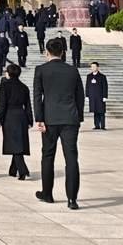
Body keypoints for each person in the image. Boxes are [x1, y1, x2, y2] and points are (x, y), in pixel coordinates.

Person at [33, 37, 84, 209]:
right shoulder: (72, 70)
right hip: (70, 118)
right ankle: (72, 199)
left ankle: (47, 193)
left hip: (49, 119)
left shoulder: (41, 70)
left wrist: (39, 119)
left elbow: (37, 96)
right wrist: (78, 116)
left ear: (47, 52)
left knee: (48, 155)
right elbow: (79, 95)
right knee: (71, 158)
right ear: (62, 52)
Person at [0, 63, 33, 180]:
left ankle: (23, 170)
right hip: (21, 116)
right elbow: (28, 105)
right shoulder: (24, 87)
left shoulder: (5, 86)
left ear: (9, 73)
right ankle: (13, 170)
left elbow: (2, 104)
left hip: (9, 116)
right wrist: (30, 120)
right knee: (17, 142)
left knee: (14, 143)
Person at [85, 62, 109, 130]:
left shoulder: (102, 76)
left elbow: (105, 87)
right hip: (93, 97)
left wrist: (105, 96)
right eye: (91, 67)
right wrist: (87, 95)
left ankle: (103, 126)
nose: (92, 68)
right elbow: (87, 86)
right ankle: (97, 125)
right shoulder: (89, 76)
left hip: (100, 97)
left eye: (94, 66)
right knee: (95, 111)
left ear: (97, 67)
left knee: (101, 111)